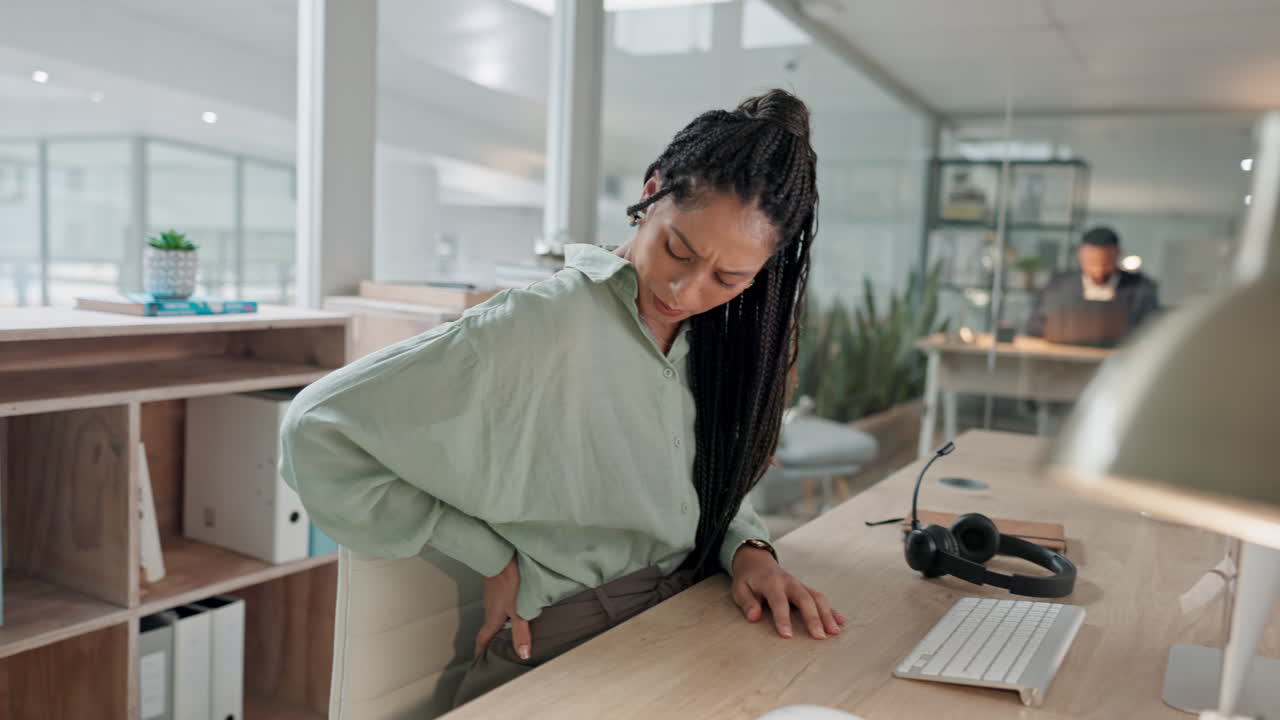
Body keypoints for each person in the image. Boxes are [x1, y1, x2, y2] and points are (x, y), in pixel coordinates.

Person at [278, 89, 847, 708]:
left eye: (728, 279)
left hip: (690, 602)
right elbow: (316, 425)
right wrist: (489, 556)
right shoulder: (537, 324)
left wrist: (750, 550)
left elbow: (695, 480)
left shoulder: (718, 341)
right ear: (651, 192)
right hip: (577, 639)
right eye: (677, 251)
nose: (686, 291)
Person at [1024, 226, 1160, 343]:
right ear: (1081, 255)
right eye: (1092, 262)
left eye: (1106, 263)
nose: (1098, 272)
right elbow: (1034, 325)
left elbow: (1153, 330)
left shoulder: (1141, 288)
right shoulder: (1059, 285)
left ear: (1117, 254)